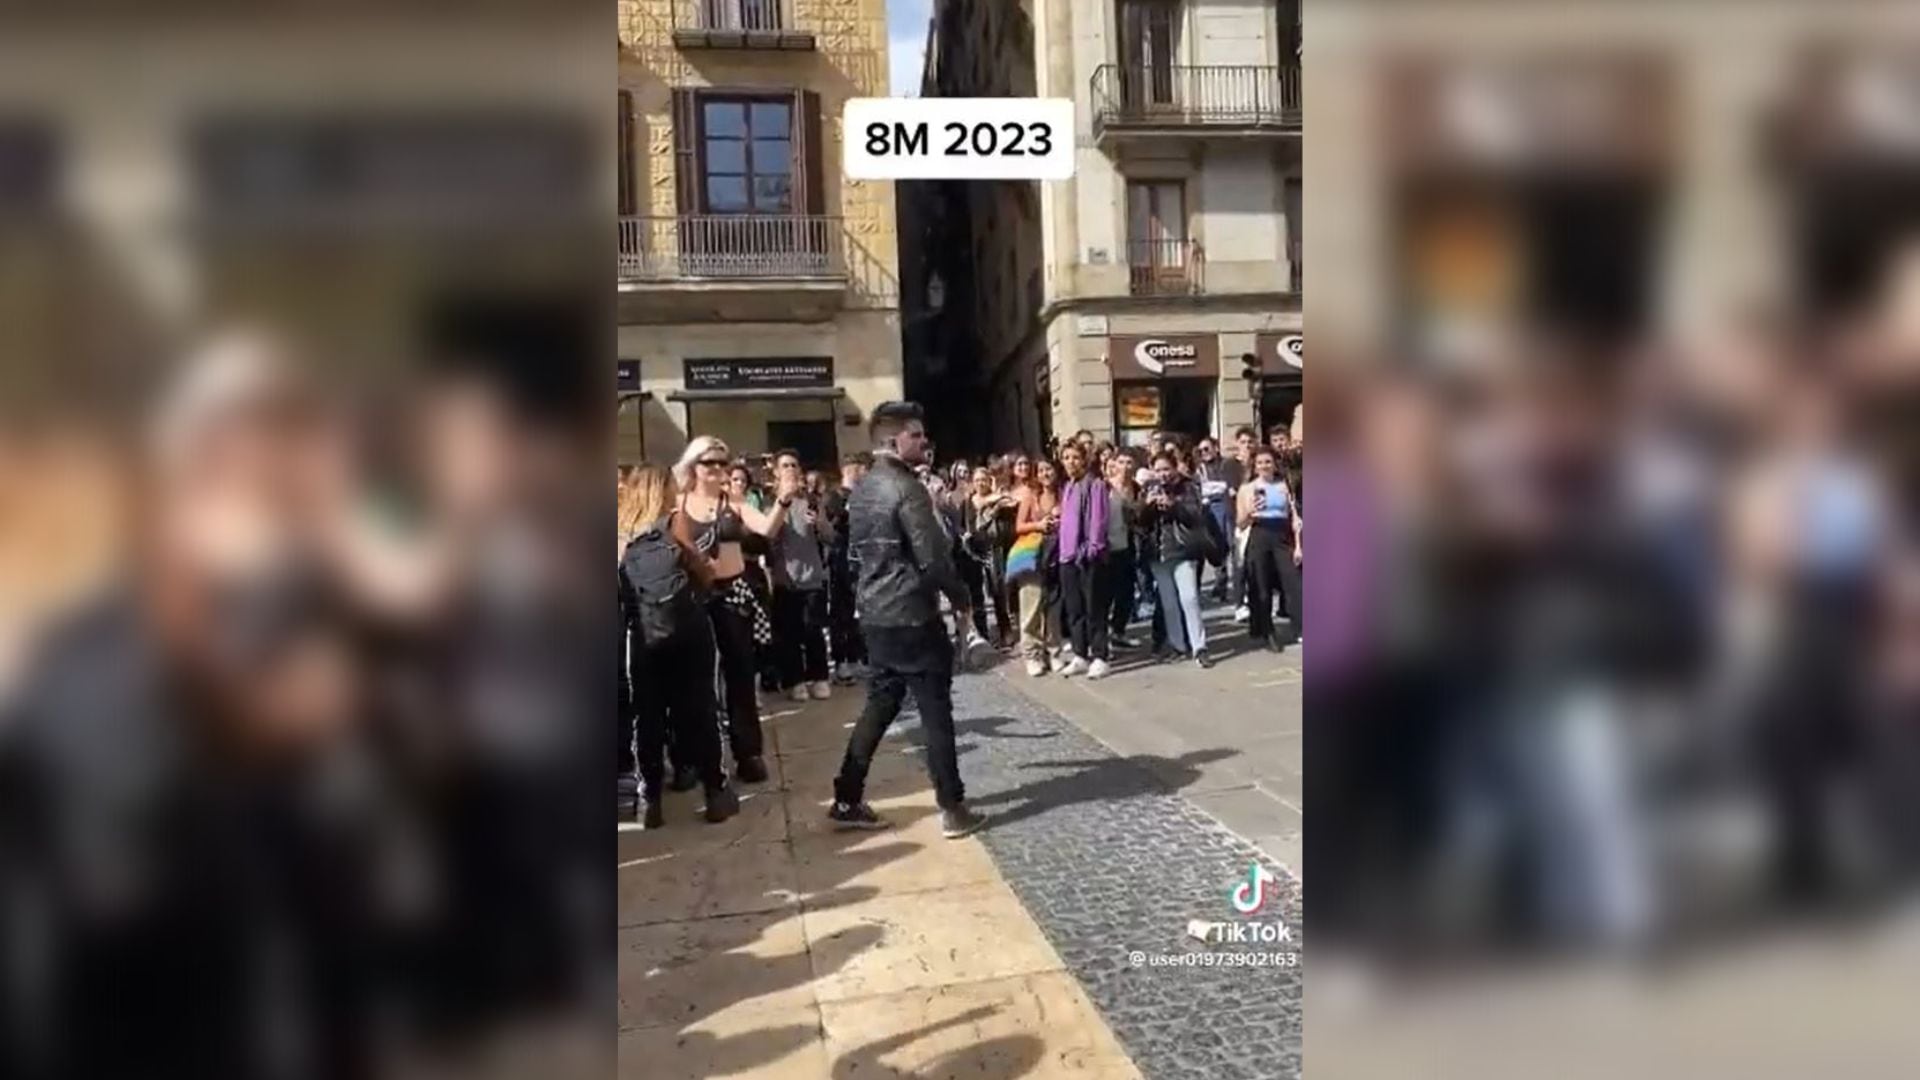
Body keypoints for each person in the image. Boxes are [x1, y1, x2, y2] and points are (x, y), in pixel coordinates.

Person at [831, 402, 987, 839]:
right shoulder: (907, 488)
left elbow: (854, 557)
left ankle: (846, 796)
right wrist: (962, 599)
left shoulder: (861, 489)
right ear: (893, 440)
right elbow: (934, 557)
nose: (924, 442)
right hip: (912, 616)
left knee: (881, 704)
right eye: (916, 435)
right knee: (936, 711)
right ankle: (953, 807)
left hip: (877, 615)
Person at [619, 465, 739, 827]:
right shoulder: (674, 521)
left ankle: (650, 801)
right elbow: (700, 567)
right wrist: (704, 571)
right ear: (661, 489)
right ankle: (716, 793)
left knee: (648, 716)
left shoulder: (620, 529)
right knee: (701, 707)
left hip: (642, 632)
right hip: (687, 627)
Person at [672, 436, 796, 784]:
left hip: (733, 596)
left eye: (721, 463)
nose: (716, 469)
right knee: (694, 682)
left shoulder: (734, 502)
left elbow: (767, 529)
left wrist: (784, 499)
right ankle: (690, 758)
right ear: (693, 465)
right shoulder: (677, 504)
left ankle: (748, 754)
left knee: (740, 678)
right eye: (709, 462)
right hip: (694, 598)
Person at [769, 448, 835, 702]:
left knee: (813, 629)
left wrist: (818, 522)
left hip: (812, 575)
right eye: (785, 465)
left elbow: (830, 537)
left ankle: (819, 677)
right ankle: (795, 681)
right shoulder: (770, 502)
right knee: (789, 633)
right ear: (776, 471)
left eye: (794, 465)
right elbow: (767, 536)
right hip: (785, 578)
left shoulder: (810, 501)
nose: (790, 470)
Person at [1141, 449, 1213, 667]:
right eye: (1158, 469)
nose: (1163, 474)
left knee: (1189, 599)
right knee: (1169, 603)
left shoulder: (1187, 486)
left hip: (1182, 550)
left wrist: (1174, 505)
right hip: (1158, 552)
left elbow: (1195, 517)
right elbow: (1139, 522)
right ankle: (1177, 645)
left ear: (1174, 468)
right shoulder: (1147, 488)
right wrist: (1147, 506)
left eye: (1166, 469)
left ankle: (1199, 646)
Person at [1056, 441, 1113, 678]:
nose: (1071, 462)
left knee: (1094, 608)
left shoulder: (1095, 485)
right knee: (1074, 609)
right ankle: (1080, 654)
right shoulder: (1068, 486)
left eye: (1075, 457)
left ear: (1084, 459)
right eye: (1066, 458)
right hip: (1067, 556)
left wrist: (1092, 548)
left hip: (1088, 556)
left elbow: (1098, 520)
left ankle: (1100, 655)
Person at [1238, 446, 1302, 653]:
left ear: (1275, 464)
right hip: (1259, 533)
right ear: (1254, 467)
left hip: (1282, 534)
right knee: (1261, 586)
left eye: (1268, 462)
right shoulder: (1247, 488)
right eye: (1260, 463)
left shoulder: (1285, 485)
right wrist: (1250, 512)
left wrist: (1299, 546)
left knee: (1293, 581)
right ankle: (1267, 631)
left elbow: (1294, 517)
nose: (1264, 466)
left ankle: (1300, 626)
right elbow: (1240, 523)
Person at [1013, 456, 1064, 676]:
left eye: (1048, 469)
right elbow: (1019, 526)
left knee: (1053, 608)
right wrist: (1040, 524)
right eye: (1041, 470)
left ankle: (1053, 652)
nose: (1045, 474)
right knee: (1031, 606)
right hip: (1032, 556)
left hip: (1056, 555)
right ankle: (1032, 655)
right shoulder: (1031, 497)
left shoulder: (1063, 494)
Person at [825, 452, 870, 683]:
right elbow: (832, 524)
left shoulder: (864, 495)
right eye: (858, 468)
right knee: (841, 611)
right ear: (848, 469)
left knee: (858, 610)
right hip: (840, 557)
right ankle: (841, 660)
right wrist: (848, 512)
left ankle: (857, 657)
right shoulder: (834, 495)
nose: (862, 473)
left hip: (860, 557)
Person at [1194, 436, 1245, 608]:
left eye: (1207, 449)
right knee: (1217, 547)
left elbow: (1227, 486)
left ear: (1216, 448)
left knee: (1233, 546)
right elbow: (1203, 489)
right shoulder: (1200, 468)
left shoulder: (1226, 465)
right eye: (1201, 451)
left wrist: (1215, 488)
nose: (1204, 453)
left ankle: (1237, 586)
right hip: (1210, 509)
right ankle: (1220, 585)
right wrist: (1217, 488)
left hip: (1226, 507)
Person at [1105, 451, 1141, 648]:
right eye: (1121, 462)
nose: (1125, 466)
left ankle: (1118, 631)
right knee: (1107, 592)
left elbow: (1138, 517)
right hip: (1107, 544)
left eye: (1129, 462)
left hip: (1128, 543)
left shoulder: (1135, 487)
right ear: (1114, 465)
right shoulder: (1105, 486)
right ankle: (1103, 634)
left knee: (1126, 591)